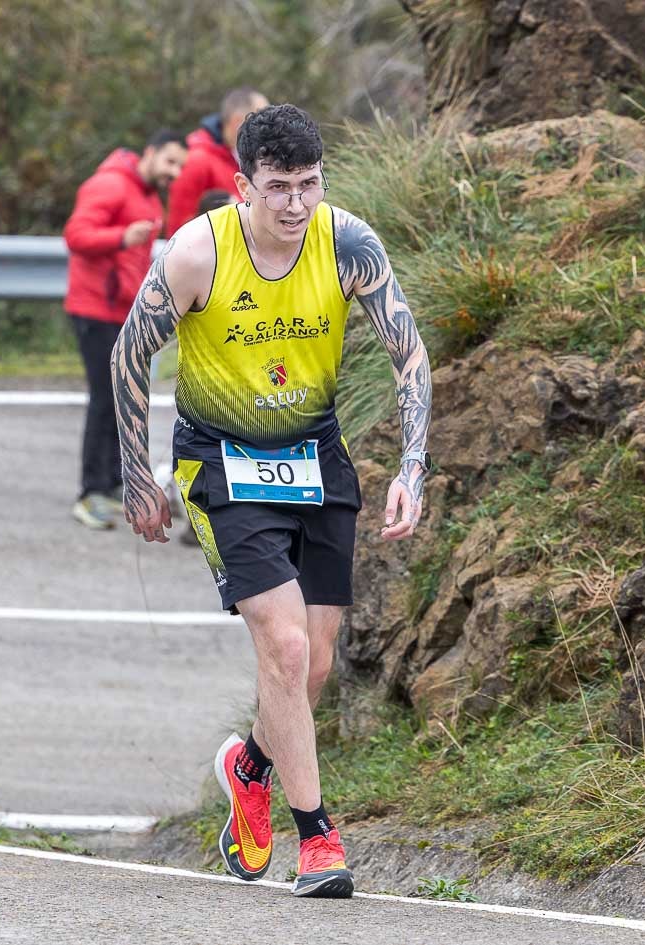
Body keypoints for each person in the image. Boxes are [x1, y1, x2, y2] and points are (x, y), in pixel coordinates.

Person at [112, 104, 432, 899]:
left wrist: (413, 466)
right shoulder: (197, 253)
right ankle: (318, 837)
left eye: (309, 185)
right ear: (241, 186)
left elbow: (408, 352)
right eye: (278, 187)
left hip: (316, 456)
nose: (295, 204)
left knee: (315, 662)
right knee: (284, 650)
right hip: (221, 463)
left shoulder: (347, 241)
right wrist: (135, 475)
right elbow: (127, 356)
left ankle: (247, 766)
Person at [63, 130, 187, 529]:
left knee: (123, 397)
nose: (175, 171)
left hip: (122, 311)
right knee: (105, 398)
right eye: (170, 162)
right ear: (149, 154)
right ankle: (90, 492)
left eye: (180, 165)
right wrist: (121, 237)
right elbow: (76, 235)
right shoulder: (111, 185)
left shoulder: (148, 194)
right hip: (96, 310)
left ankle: (114, 483)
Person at [166, 88, 269, 234]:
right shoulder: (197, 159)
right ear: (237, 121)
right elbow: (178, 226)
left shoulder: (236, 153)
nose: (267, 129)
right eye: (261, 122)